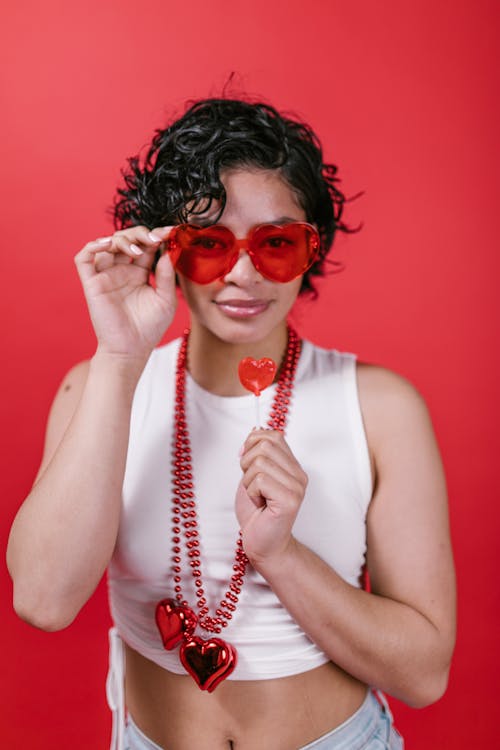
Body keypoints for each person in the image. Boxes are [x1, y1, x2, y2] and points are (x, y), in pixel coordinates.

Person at [7, 97, 456, 750]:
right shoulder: (98, 388)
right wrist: (119, 356)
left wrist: (281, 555)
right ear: (164, 249)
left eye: (276, 242)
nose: (243, 275)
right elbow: (43, 601)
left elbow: (424, 675)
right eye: (210, 244)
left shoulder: (382, 409)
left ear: (311, 250)